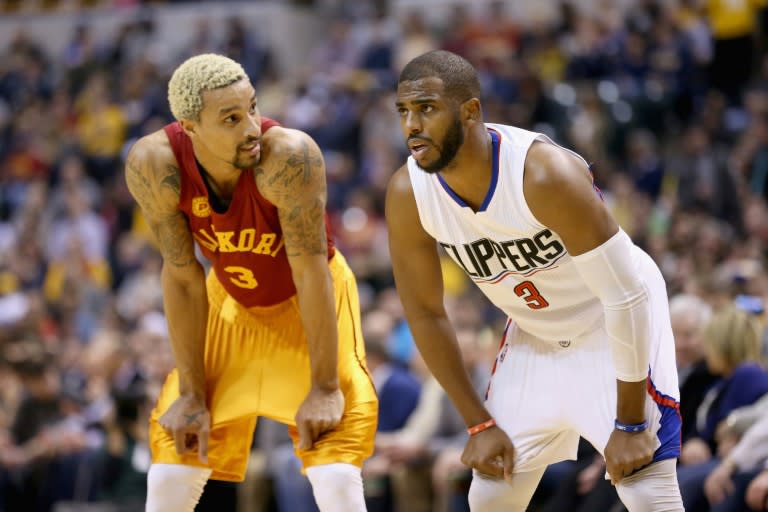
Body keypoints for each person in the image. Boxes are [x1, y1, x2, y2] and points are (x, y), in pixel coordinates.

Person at [385, 49, 683, 511]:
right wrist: (478, 424)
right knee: (490, 496)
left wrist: (629, 425)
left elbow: (625, 295)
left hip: (613, 320)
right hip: (536, 332)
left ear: (470, 112)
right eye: (403, 111)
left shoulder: (543, 174)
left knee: (646, 490)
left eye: (426, 108)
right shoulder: (409, 193)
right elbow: (424, 312)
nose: (411, 125)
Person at [124, 53, 378, 512]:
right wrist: (192, 393)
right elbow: (183, 279)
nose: (251, 127)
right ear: (190, 126)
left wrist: (323, 388)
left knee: (336, 473)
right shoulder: (154, 165)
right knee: (171, 466)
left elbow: (310, 269)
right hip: (232, 304)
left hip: (309, 300)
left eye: (253, 108)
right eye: (232, 118)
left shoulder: (288, 157)